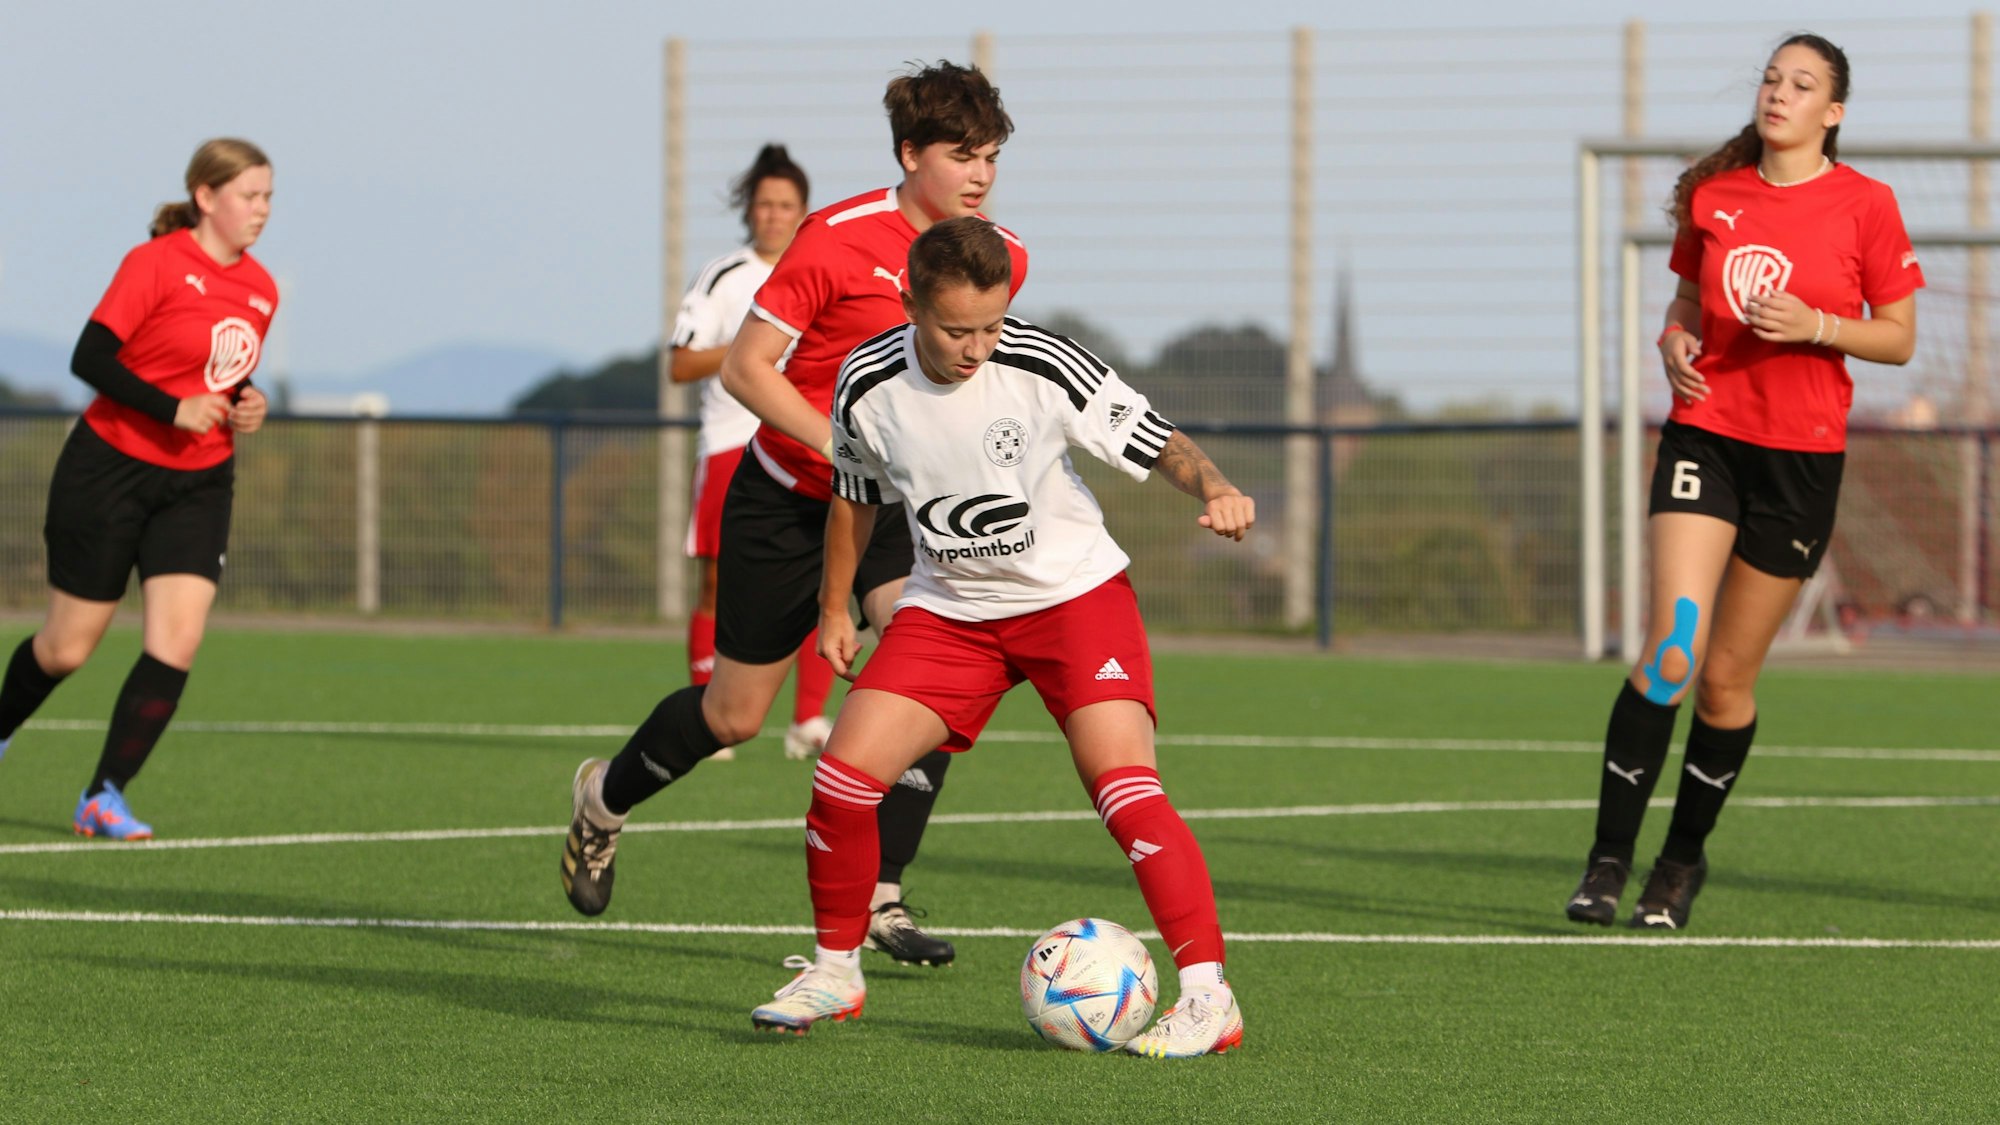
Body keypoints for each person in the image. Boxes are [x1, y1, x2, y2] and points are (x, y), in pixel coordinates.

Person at [747, 218, 1251, 1057]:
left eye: (991, 324)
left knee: (1124, 788)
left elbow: (1162, 440)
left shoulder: (1044, 363)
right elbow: (855, 495)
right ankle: (836, 970)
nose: (977, 346)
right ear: (908, 301)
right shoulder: (865, 381)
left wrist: (1221, 486)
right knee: (841, 778)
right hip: (950, 611)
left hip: (1074, 600)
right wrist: (835, 607)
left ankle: (1208, 996)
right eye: (955, 330)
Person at [561, 62, 1026, 969]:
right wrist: (845, 445)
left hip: (896, 509)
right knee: (733, 716)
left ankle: (883, 892)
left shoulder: (996, 249)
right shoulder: (836, 238)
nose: (980, 174)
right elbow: (745, 370)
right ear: (908, 154)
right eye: (961, 155)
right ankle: (601, 801)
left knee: (933, 667)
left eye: (992, 156)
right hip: (787, 499)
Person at [1566, 33, 1921, 930]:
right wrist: (1674, 338)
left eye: (1802, 85)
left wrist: (1820, 325)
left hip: (1800, 461)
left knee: (1725, 681)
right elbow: (1687, 303)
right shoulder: (1716, 195)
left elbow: (1899, 336)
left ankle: (1678, 866)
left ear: (1831, 112)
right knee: (1670, 651)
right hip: (1707, 438)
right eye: (1772, 77)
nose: (1779, 93)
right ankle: (1606, 861)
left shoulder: (1865, 205)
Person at [0, 138, 277, 839]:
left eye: (269, 197)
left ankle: (104, 795)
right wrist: (172, 408)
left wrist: (247, 402)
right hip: (110, 469)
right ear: (205, 196)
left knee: (176, 641)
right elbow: (88, 356)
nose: (261, 210)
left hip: (200, 481)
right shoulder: (153, 263)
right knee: (66, 648)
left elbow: (220, 373)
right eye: (249, 195)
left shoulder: (261, 288)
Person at [669, 143, 832, 763]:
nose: (773, 215)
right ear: (749, 211)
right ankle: (710, 714)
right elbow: (681, 363)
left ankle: (809, 719)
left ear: (804, 210)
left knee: (825, 579)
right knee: (716, 581)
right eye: (764, 204)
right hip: (732, 445)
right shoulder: (724, 277)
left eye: (785, 204)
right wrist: (752, 344)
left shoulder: (821, 267)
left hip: (804, 444)